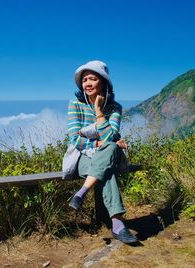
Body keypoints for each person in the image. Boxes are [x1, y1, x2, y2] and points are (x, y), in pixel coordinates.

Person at [64, 60, 137, 244]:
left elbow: (110, 137)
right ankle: (118, 225)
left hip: (106, 155)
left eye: (93, 79)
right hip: (81, 158)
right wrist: (103, 143)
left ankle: (82, 192)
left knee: (110, 149)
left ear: (103, 83)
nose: (87, 83)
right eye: (84, 80)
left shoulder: (115, 108)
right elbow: (76, 139)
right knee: (109, 161)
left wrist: (98, 111)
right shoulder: (75, 105)